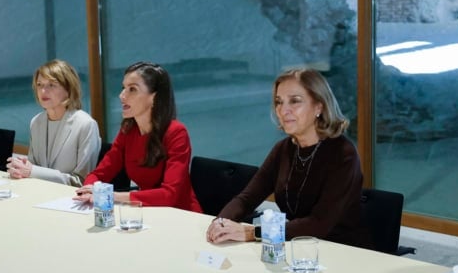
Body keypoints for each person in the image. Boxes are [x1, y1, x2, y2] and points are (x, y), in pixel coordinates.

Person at [206, 68, 371, 249]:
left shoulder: (343, 154)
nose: (284, 110)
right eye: (279, 102)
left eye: (295, 101)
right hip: (294, 247)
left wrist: (253, 233)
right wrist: (220, 223)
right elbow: (246, 199)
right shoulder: (283, 149)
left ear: (319, 106)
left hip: (340, 252)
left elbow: (319, 223)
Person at [75, 61, 201, 212]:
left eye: (132, 89)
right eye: (123, 88)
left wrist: (111, 195)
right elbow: (98, 174)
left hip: (180, 215)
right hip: (146, 211)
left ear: (154, 97)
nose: (122, 96)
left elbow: (169, 195)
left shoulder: (176, 132)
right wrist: (91, 189)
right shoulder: (128, 130)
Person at [7, 59, 101, 186]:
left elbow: (82, 181)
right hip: (39, 194)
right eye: (39, 84)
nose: (43, 91)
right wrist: (21, 170)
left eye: (51, 85)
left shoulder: (86, 124)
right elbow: (32, 167)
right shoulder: (36, 122)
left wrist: (31, 171)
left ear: (68, 89)